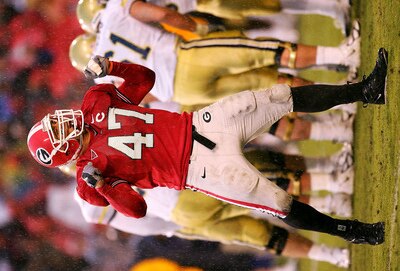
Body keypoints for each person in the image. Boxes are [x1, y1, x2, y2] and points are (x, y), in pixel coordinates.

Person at [27, 47, 388, 245]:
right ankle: (352, 231)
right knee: (279, 202)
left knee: (279, 96)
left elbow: (146, 80)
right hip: (200, 170)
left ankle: (365, 91)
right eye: (57, 130)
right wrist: (104, 186)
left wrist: (112, 66)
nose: (63, 121)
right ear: (64, 151)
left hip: (201, 123)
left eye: (54, 120)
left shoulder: (95, 102)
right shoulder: (89, 181)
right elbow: (137, 209)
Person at [82, 0, 361, 105]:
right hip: (184, 56)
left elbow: (142, 96)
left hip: (181, 92)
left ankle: (340, 106)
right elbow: (163, 13)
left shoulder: (99, 79)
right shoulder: (116, 10)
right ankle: (339, 56)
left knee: (271, 88)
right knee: (268, 53)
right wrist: (196, 29)